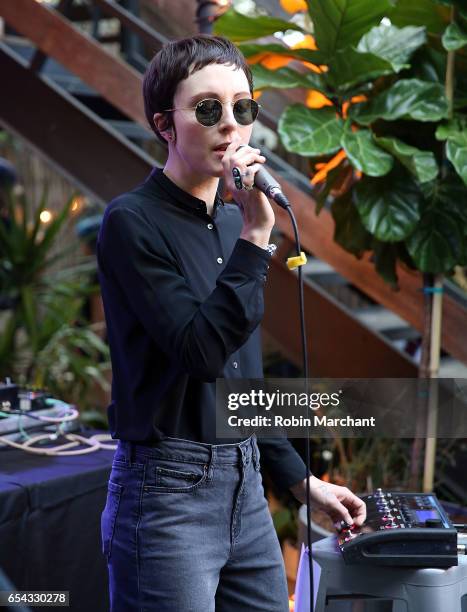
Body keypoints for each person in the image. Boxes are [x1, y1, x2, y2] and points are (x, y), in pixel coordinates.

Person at [97, 34, 366, 612]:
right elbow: (200, 353)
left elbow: (240, 380)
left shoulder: (231, 221)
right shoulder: (132, 222)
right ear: (165, 123)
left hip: (244, 484)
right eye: (209, 108)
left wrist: (300, 482)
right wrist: (256, 238)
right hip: (168, 492)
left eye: (242, 107)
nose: (231, 125)